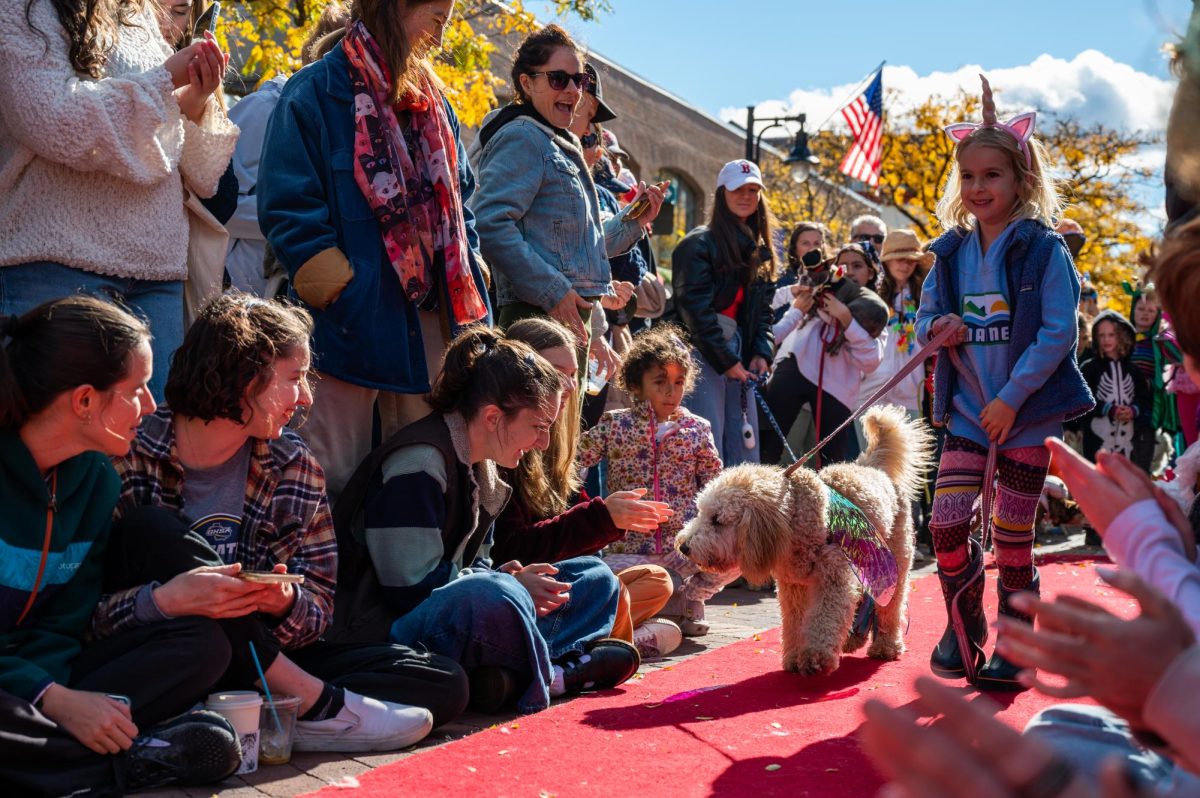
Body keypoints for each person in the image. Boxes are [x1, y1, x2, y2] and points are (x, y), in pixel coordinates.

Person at [90, 294, 446, 752]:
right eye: (294, 378)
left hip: (265, 654)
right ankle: (310, 706)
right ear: (245, 377)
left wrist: (283, 602)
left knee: (442, 683)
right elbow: (86, 615)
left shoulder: (293, 462)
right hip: (170, 650)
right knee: (152, 531)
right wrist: (163, 600)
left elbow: (319, 608)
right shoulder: (130, 455)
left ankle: (265, 712)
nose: (305, 397)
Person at [0, 296, 241, 796]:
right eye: (136, 390)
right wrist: (52, 700)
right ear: (85, 400)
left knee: (203, 646)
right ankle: (128, 759)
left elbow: (63, 626)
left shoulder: (95, 483)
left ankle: (71, 756)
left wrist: (64, 696)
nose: (152, 406)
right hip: (20, 695)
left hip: (41, 683)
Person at [331, 326, 640, 715]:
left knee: (595, 578)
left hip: (460, 609)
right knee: (496, 595)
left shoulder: (486, 469)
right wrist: (507, 582)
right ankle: (553, 673)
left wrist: (505, 574)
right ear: (493, 416)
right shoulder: (420, 462)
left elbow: (476, 564)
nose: (543, 443)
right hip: (388, 627)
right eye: (539, 427)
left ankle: (517, 675)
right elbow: (408, 588)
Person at [258, 0, 492, 502]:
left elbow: (463, 203)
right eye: (436, 9)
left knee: (423, 475)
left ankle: (413, 579)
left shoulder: (436, 104)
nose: (444, 20)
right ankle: (319, 578)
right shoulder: (315, 91)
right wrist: (344, 289)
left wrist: (468, 267)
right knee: (326, 476)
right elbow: (287, 203)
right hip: (347, 329)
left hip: (430, 325)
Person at [916, 75, 1093, 690]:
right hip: (966, 412)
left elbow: (1056, 333)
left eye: (992, 175)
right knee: (945, 525)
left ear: (1021, 179)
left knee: (1014, 537)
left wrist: (1012, 399)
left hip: (1027, 415)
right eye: (968, 177)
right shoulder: (949, 252)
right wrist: (939, 326)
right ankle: (961, 624)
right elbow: (922, 321)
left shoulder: (1045, 250)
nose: (978, 188)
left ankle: (1018, 644)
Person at [0, 0, 238, 401]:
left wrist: (194, 101)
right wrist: (166, 79)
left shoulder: (138, 11)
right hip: (56, 265)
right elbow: (57, 122)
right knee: (63, 449)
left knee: (147, 452)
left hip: (156, 275)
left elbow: (198, 173)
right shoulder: (20, 8)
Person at [497, 317, 680, 660]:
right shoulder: (504, 445)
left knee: (657, 580)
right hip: (526, 588)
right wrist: (602, 517)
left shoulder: (561, 442)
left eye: (571, 373)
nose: (566, 385)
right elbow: (511, 549)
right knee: (604, 583)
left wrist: (613, 517)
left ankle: (601, 634)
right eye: (555, 371)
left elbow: (572, 522)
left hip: (563, 585)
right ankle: (609, 640)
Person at [471, 24, 664, 347]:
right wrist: (554, 291)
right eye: (558, 79)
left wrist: (634, 219)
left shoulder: (556, 142)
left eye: (580, 80)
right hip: (537, 321)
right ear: (526, 83)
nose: (573, 90)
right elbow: (489, 224)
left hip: (565, 320)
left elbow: (582, 247)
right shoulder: (523, 136)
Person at [577, 324, 732, 637]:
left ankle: (690, 599)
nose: (670, 391)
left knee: (738, 556)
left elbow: (717, 485)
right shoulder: (615, 424)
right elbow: (575, 460)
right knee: (601, 574)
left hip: (684, 552)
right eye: (659, 382)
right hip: (629, 549)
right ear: (636, 384)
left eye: (677, 383)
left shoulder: (697, 428)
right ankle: (642, 618)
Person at [224, 2, 350, 296]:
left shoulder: (348, 123)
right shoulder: (266, 106)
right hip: (242, 288)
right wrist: (292, 221)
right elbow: (215, 204)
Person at [671, 159, 776, 466]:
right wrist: (727, 361)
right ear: (721, 194)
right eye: (737, 189)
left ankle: (744, 512)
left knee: (743, 445)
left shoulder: (758, 250)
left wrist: (761, 352)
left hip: (737, 353)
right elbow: (695, 314)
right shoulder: (696, 245)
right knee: (708, 442)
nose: (746, 196)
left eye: (753, 190)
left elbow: (763, 314)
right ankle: (708, 514)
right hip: (702, 354)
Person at [759, 241, 888, 466]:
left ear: (871, 272)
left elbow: (871, 362)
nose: (848, 271)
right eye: (842, 266)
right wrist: (799, 307)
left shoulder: (872, 314)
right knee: (769, 448)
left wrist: (847, 319)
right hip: (794, 370)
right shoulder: (814, 300)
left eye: (857, 266)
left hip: (837, 392)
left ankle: (832, 501)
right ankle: (758, 497)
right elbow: (774, 331)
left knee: (831, 461)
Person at [1076, 311, 1154, 471]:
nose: (1106, 340)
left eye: (1111, 335)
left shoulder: (1134, 370)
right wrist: (1108, 409)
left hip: (1129, 440)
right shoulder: (1089, 368)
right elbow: (1083, 400)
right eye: (1101, 335)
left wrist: (1133, 410)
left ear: (1122, 336)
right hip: (1097, 440)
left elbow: (1145, 399)